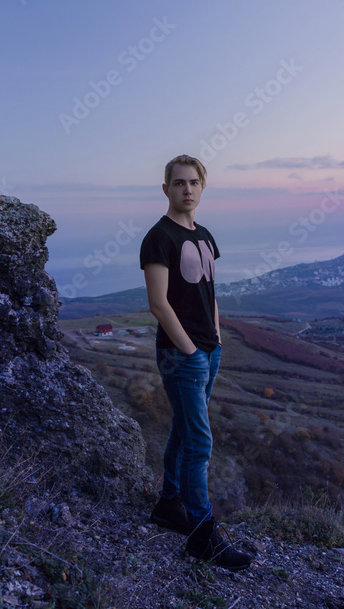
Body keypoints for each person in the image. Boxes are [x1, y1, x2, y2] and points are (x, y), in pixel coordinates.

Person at [139, 154, 253, 571]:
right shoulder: (159, 237)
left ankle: (169, 505)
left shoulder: (204, 235)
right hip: (180, 354)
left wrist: (216, 338)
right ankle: (203, 536)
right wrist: (189, 350)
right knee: (200, 442)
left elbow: (210, 292)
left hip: (209, 349)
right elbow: (158, 303)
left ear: (202, 188)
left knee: (183, 431)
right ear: (165, 188)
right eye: (179, 183)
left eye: (194, 183)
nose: (187, 189)